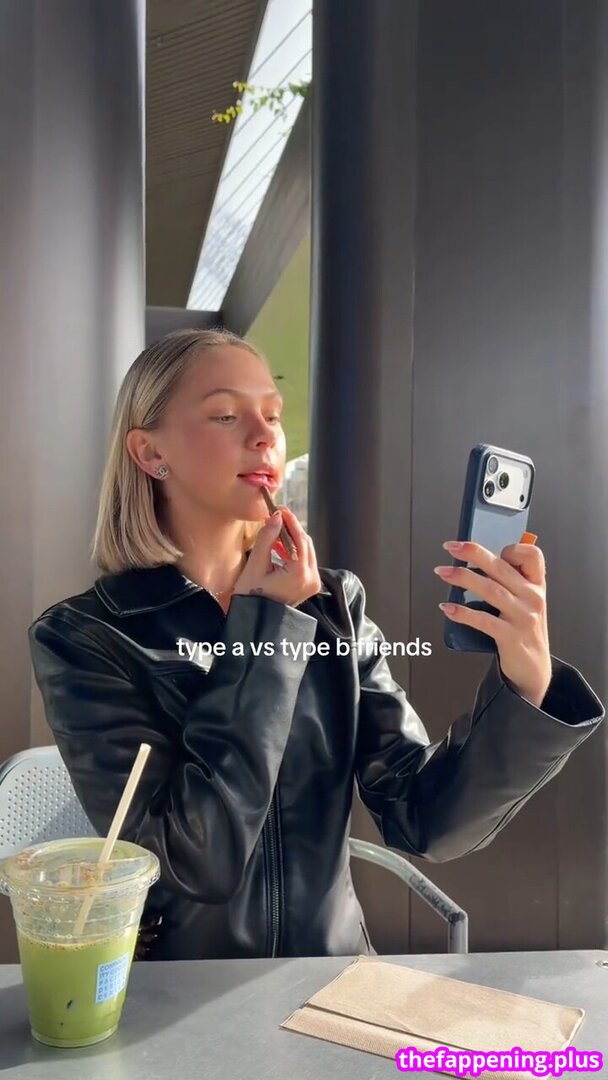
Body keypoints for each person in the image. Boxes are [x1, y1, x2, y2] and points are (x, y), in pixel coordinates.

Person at [29, 328, 604, 961]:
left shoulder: (334, 607)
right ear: (149, 452)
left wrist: (527, 684)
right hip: (182, 990)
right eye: (226, 415)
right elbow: (193, 860)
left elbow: (425, 817)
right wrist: (269, 630)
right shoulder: (86, 637)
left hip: (336, 976)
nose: (264, 436)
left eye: (272, 415)